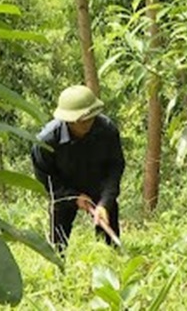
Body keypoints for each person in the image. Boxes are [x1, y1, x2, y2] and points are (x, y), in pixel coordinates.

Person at [31, 85, 125, 252]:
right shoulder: (45, 142)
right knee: (58, 244)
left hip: (99, 187)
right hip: (64, 190)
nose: (86, 123)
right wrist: (72, 197)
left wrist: (104, 203)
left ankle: (112, 263)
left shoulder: (107, 130)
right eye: (80, 120)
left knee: (109, 242)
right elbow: (47, 181)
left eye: (90, 118)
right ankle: (60, 270)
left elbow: (115, 168)